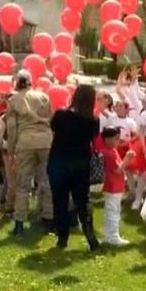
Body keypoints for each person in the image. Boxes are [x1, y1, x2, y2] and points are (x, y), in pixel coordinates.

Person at [48, 84, 101, 250]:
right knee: (82, 201)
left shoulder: (61, 115)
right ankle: (90, 236)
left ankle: (62, 238)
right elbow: (93, 138)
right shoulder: (93, 121)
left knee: (60, 201)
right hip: (80, 165)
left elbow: (53, 127)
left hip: (59, 163)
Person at [6, 70, 54, 234]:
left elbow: (12, 129)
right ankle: (48, 219)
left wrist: (10, 151)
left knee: (23, 184)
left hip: (25, 142)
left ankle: (19, 222)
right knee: (47, 181)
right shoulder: (43, 96)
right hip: (45, 141)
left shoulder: (13, 100)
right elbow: (50, 118)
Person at [98, 127, 133, 246]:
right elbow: (118, 170)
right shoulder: (109, 153)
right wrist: (127, 159)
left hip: (112, 186)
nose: (119, 141)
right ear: (107, 139)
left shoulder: (109, 151)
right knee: (113, 211)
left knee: (111, 210)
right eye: (116, 139)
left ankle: (109, 235)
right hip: (113, 187)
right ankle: (113, 236)